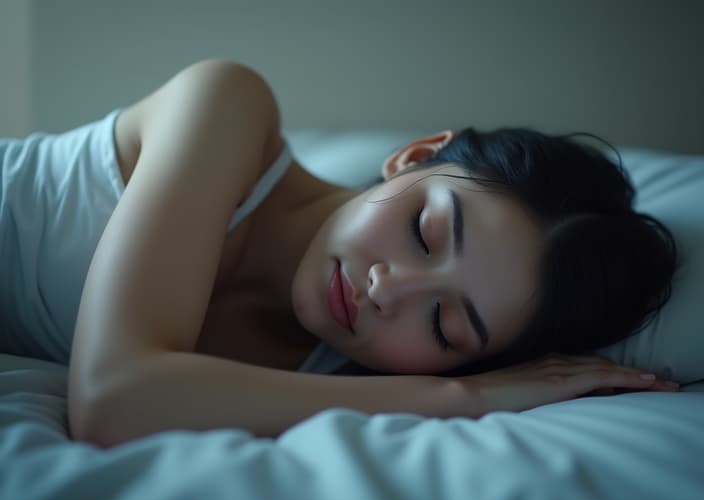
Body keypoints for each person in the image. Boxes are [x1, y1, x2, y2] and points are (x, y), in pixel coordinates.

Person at [0, 59, 678, 447]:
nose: (390, 290)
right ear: (413, 158)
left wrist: (458, 393)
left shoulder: (352, 381)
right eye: (424, 230)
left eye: (443, 325)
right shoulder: (227, 105)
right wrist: (462, 393)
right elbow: (112, 400)